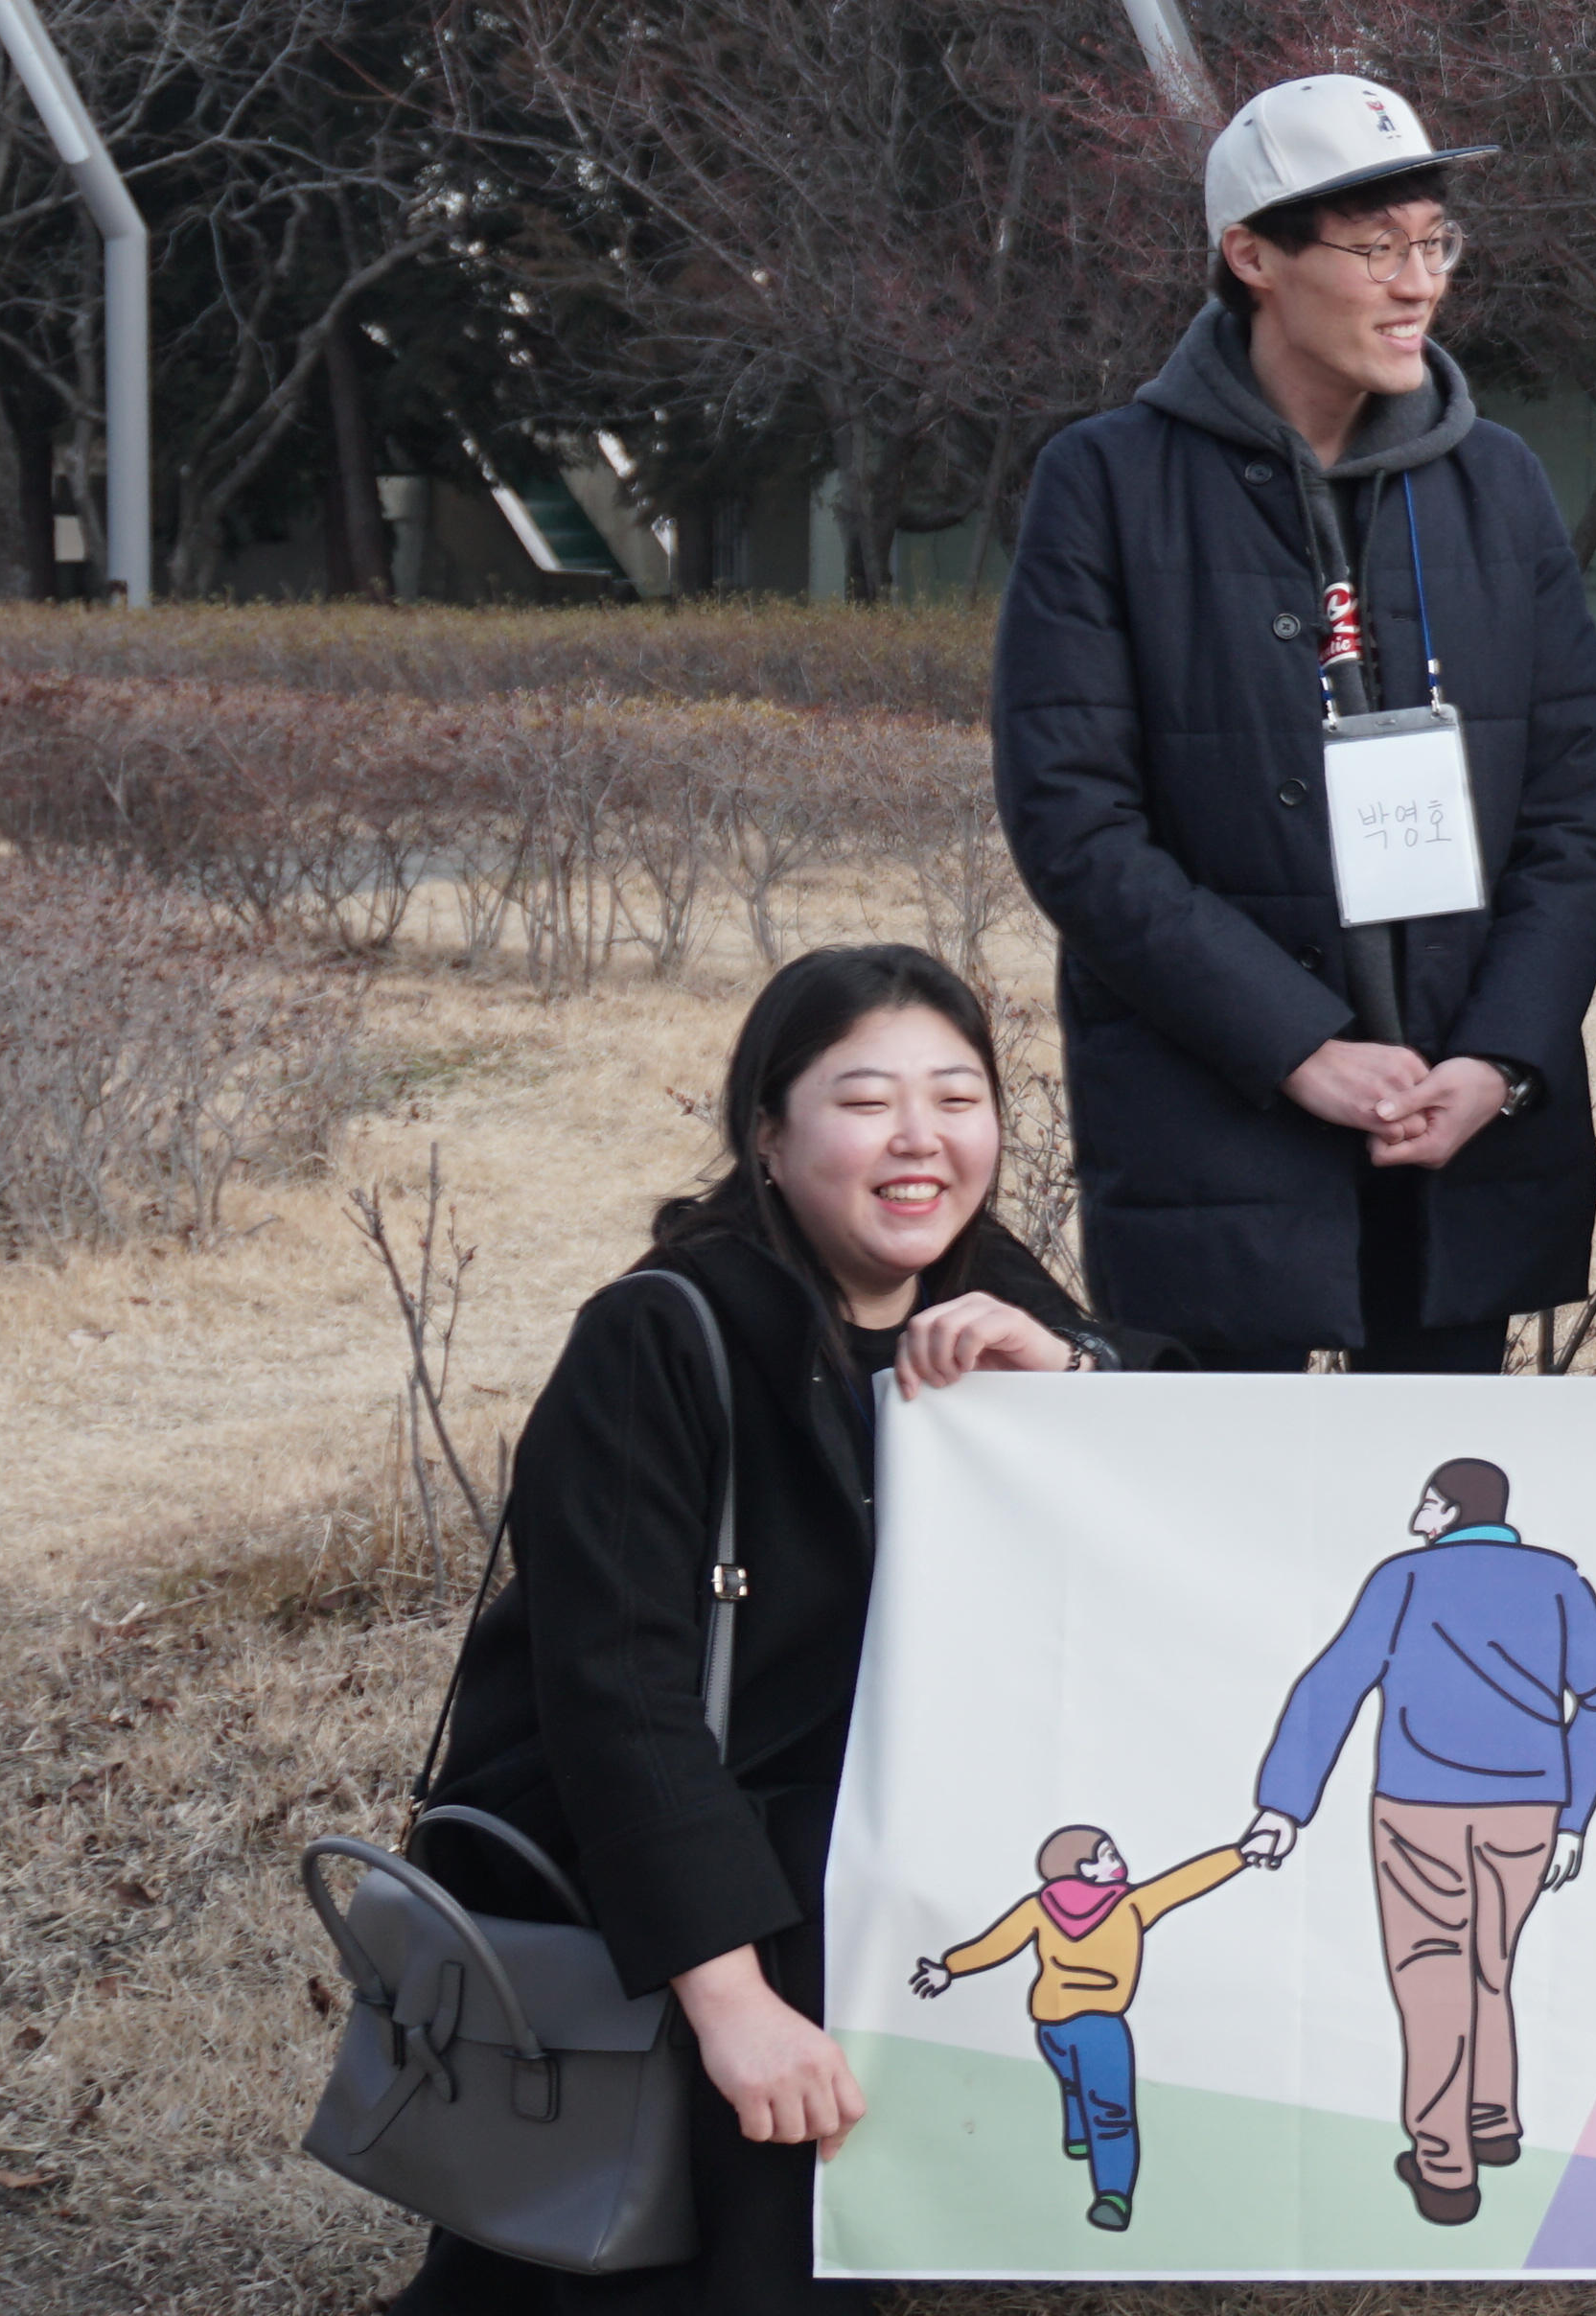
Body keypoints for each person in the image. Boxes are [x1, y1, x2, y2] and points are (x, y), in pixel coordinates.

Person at [389, 946, 1116, 2316]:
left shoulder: (988, 1287)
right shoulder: (661, 1337)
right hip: (678, 1877)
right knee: (654, 2254)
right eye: (867, 1101)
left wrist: (1073, 1371)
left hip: (863, 1856)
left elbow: (1174, 1451)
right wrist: (731, 2005)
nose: (922, 1141)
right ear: (768, 1137)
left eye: (959, 1098)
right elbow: (621, 1705)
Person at [996, 73, 1596, 1371]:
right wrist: (1299, 1047)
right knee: (1220, 1528)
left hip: (1457, 1118)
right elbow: (1075, 820)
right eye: (1375, 247)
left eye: (1434, 242)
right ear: (1253, 259)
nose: (1419, 283)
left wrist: (1499, 1061)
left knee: (1436, 1519)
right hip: (1216, 1114)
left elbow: (1574, 805)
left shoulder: (1497, 484)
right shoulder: (1106, 485)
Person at [1242, 1460, 1596, 2231]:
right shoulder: (1558, 1583)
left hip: (1420, 1805)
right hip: (1529, 1809)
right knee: (1491, 1966)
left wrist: (1284, 1806)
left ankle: (1444, 2166)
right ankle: (1492, 2122)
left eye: (1426, 1501)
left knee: (1431, 1978)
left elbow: (1334, 1683)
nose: (1416, 1514)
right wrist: (1573, 1815)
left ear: (1452, 1509)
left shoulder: (1405, 1580)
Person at [908, 1823, 1252, 2235]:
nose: (1117, 1860)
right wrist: (1240, 1853)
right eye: (1107, 1854)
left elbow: (995, 1944)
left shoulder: (1037, 1907)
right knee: (1111, 2114)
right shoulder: (1129, 1905)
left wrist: (950, 1968)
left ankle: (1078, 2138)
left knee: (1074, 2083)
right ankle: (1113, 2197)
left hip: (1049, 2028)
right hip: (1100, 2026)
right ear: (1086, 1869)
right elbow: (1183, 1883)